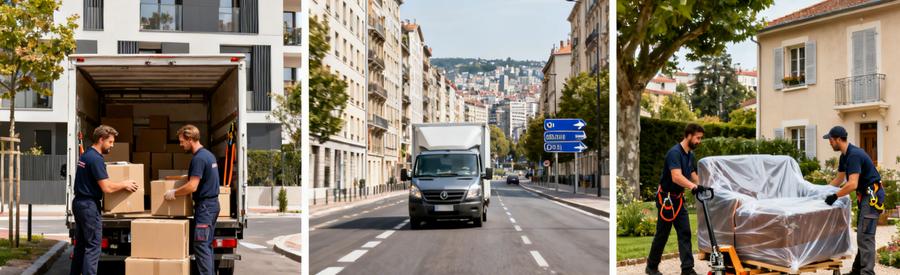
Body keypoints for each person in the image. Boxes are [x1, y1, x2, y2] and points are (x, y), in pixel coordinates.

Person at [71, 125, 139, 275]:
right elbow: (106, 187)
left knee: (81, 246)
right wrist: (124, 184)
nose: (112, 145)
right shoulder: (96, 159)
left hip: (79, 203)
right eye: (110, 142)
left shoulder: (86, 155)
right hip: (89, 206)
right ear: (101, 139)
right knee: (93, 247)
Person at [646, 123, 707, 275]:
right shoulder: (674, 153)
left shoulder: (690, 155)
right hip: (666, 200)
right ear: (689, 135)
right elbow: (676, 177)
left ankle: (687, 269)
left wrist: (704, 186)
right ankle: (651, 267)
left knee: (685, 232)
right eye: (697, 138)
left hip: (678, 200)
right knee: (662, 234)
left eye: (700, 138)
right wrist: (693, 187)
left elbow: (693, 175)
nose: (699, 141)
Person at [823, 126, 884, 275]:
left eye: (830, 140)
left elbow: (852, 184)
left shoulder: (854, 155)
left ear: (838, 139)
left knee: (865, 236)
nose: (829, 143)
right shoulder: (844, 156)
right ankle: (857, 271)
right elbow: (839, 179)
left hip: (872, 196)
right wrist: (822, 192)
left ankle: (867, 273)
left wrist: (835, 196)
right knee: (863, 234)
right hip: (865, 196)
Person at [164, 125, 220, 275]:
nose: (181, 145)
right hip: (212, 205)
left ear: (190, 139)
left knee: (201, 246)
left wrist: (174, 192)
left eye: (182, 141)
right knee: (206, 246)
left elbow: (192, 186)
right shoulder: (208, 155)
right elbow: (203, 178)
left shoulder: (198, 159)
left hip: (205, 208)